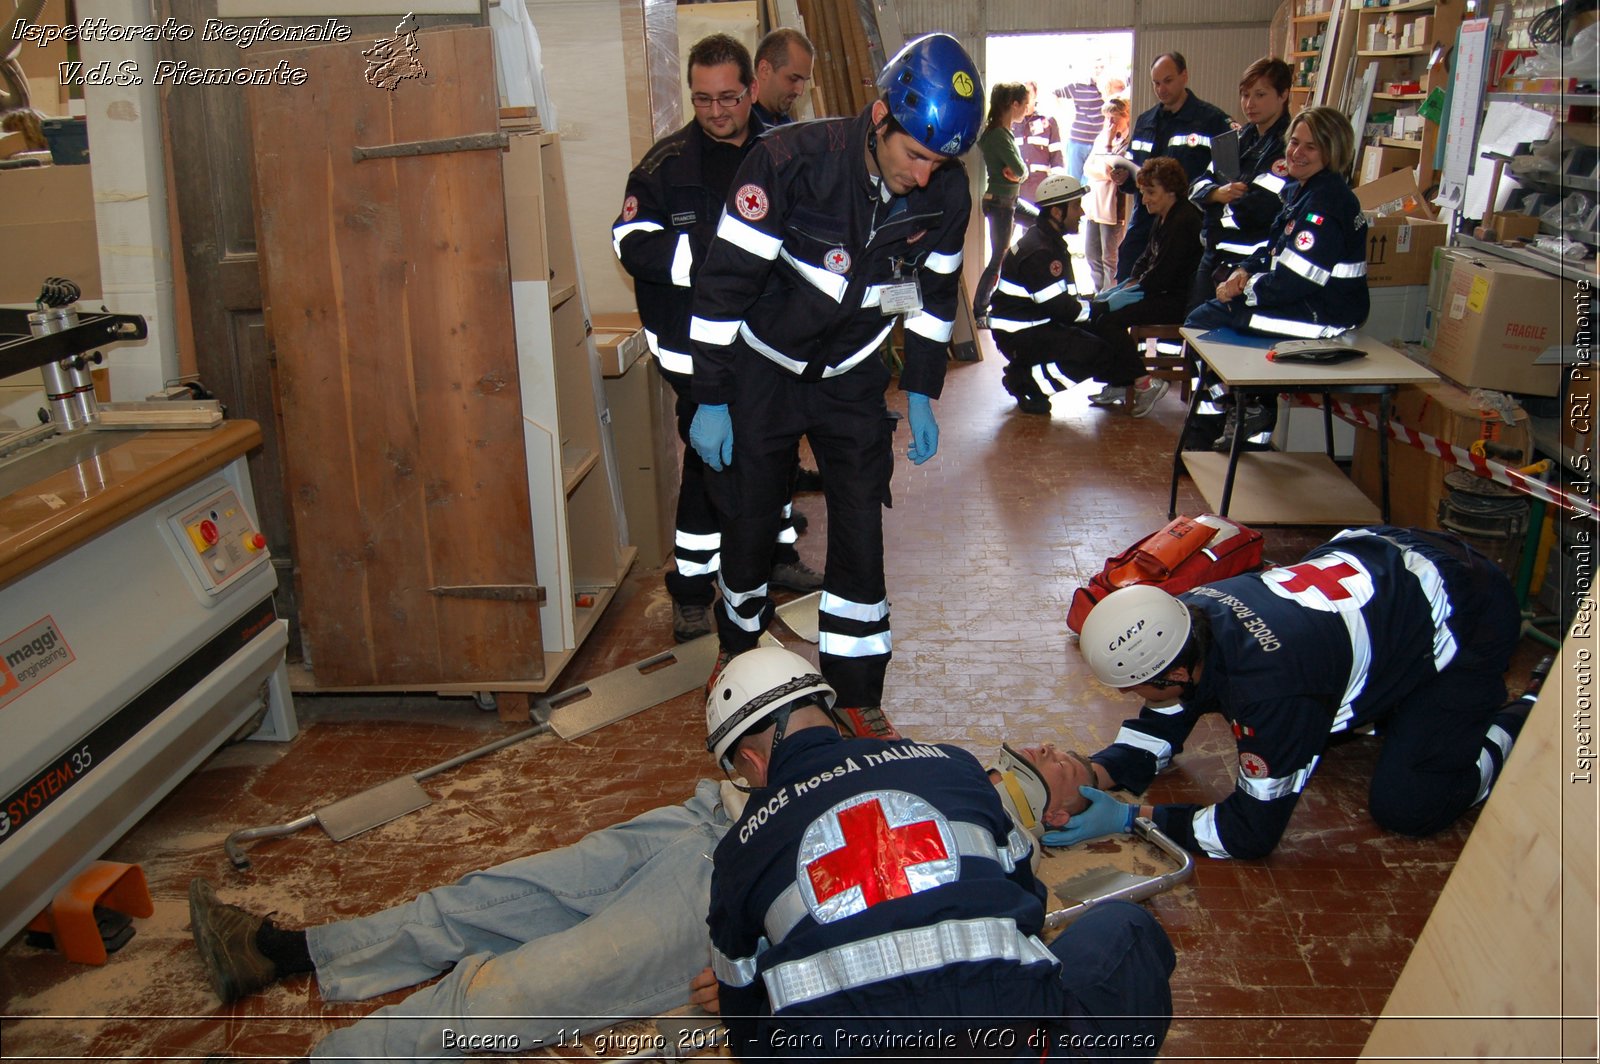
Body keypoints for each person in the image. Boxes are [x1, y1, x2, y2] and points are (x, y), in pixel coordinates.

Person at [686, 34, 981, 739]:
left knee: (860, 529)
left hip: (852, 375)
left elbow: (935, 296)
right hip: (767, 369)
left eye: (940, 161)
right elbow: (722, 286)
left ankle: (855, 689)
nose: (925, 174)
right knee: (753, 522)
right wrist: (712, 396)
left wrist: (921, 391)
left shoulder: (944, 190)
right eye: (915, 154)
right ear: (880, 118)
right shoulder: (790, 163)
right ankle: (739, 654)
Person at [703, 647, 1176, 1061]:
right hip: (1006, 1043)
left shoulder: (737, 850)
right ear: (826, 712)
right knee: (1126, 928)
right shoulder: (950, 762)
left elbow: (742, 1026)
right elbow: (1026, 905)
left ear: (752, 760)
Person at [1063, 526, 1530, 861]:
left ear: (1177, 672)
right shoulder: (1186, 615)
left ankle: (1530, 710)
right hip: (1387, 555)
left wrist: (1133, 819)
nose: (1131, 695)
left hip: (1470, 607)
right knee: (1332, 734)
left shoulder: (1272, 695)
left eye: (1135, 686)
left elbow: (1247, 834)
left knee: (1410, 805)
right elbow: (1169, 710)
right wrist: (1096, 774)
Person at [613, 34, 821, 644]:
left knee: (777, 453)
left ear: (752, 89)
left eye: (728, 97)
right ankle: (691, 590)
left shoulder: (782, 150)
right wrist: (710, 254)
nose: (715, 112)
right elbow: (630, 244)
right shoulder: (665, 166)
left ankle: (775, 555)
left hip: (772, 345)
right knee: (714, 468)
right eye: (701, 100)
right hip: (697, 349)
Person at [1184, 106, 1370, 451]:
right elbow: (1273, 251)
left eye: (1311, 147)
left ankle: (1237, 412)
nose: (1297, 153)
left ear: (1333, 151)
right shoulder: (1303, 191)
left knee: (1201, 324)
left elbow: (1296, 280)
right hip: (1306, 303)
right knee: (1203, 322)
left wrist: (1244, 290)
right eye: (1294, 143)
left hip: (1324, 316)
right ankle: (1244, 412)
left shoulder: (1324, 204)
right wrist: (1242, 271)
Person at [988, 173, 1142, 417]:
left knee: (1100, 332)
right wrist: (1103, 305)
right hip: (1019, 335)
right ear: (1057, 213)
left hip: (1033, 326)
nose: (1081, 213)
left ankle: (1130, 381)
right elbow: (1065, 310)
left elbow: (1066, 302)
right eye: (1075, 206)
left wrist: (1100, 302)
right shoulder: (1041, 251)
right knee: (1094, 352)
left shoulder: (1047, 241)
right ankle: (1026, 383)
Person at [1081, 156, 1203, 417]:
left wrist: (1134, 289)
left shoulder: (1185, 219)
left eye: (1151, 193)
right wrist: (1130, 281)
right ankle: (1119, 381)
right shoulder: (1162, 216)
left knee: (1108, 320)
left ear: (1171, 190)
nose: (1145, 199)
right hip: (1158, 291)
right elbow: (1146, 257)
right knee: (1099, 314)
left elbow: (1165, 274)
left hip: (1175, 300)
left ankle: (1144, 383)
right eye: (1143, 192)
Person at [1112, 53, 1231, 283]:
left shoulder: (1212, 120)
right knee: (1127, 272)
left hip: (1186, 224)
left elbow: (1228, 175)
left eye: (1168, 81)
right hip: (1145, 219)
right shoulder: (1146, 121)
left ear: (1184, 76)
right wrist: (1124, 177)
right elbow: (1133, 166)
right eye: (1156, 83)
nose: (1161, 89)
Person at [976, 81, 1030, 318]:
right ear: (1013, 104)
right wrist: (1020, 174)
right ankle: (980, 310)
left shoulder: (1003, 133)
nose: (1027, 109)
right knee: (998, 256)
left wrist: (1019, 176)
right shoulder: (998, 135)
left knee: (1041, 224)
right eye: (1025, 104)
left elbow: (1019, 172)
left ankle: (1015, 287)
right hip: (1000, 202)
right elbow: (1018, 168)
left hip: (1009, 200)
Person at [1082, 96, 1132, 293]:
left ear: (1125, 117)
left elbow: (1113, 167)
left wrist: (1109, 144)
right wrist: (1104, 174)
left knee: (1109, 258)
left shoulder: (1126, 141)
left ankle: (1109, 297)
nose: (1110, 124)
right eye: (1107, 118)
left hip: (1112, 208)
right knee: (1091, 254)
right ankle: (1098, 292)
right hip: (1095, 205)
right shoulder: (1102, 137)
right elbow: (1088, 168)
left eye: (1114, 118)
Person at [1011, 82, 1066, 211]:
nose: (1024, 98)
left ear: (1035, 95)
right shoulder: (1009, 122)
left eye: (1028, 93)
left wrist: (1056, 190)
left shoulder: (1048, 122)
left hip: (1039, 191)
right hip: (1014, 190)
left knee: (1034, 229)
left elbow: (1057, 158)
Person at [752, 27, 815, 126]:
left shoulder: (787, 126)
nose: (800, 91)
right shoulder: (740, 126)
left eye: (804, 81)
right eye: (793, 79)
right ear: (764, 70)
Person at [1055, 60, 1106, 182]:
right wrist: (1064, 112)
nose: (1099, 70)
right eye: (1096, 67)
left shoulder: (1109, 86)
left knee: (1091, 183)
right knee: (1073, 182)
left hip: (1098, 142)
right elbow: (1054, 93)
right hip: (1078, 140)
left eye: (1102, 67)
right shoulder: (1079, 86)